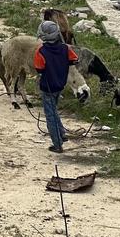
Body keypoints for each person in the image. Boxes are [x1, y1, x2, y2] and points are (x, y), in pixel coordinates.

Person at [34, 20, 79, 153]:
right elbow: (74, 60)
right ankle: (62, 134)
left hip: (47, 87)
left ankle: (57, 144)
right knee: (54, 110)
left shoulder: (41, 51)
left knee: (50, 115)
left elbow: (39, 69)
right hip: (60, 85)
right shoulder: (66, 48)